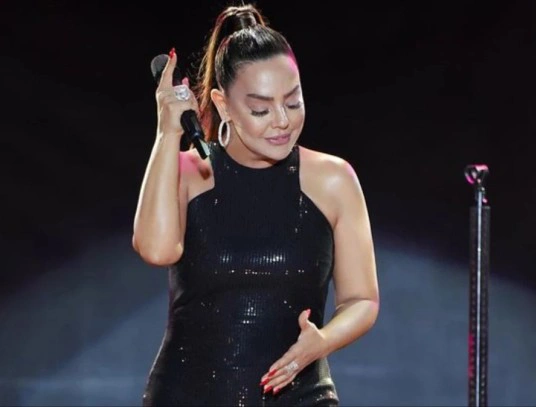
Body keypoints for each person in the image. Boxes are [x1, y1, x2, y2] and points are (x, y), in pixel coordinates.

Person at [132, 4, 379, 405]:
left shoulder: (333, 179)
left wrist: (321, 342)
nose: (282, 120)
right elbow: (156, 249)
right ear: (223, 104)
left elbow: (362, 299)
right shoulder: (189, 172)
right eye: (261, 109)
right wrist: (167, 131)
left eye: (293, 102)